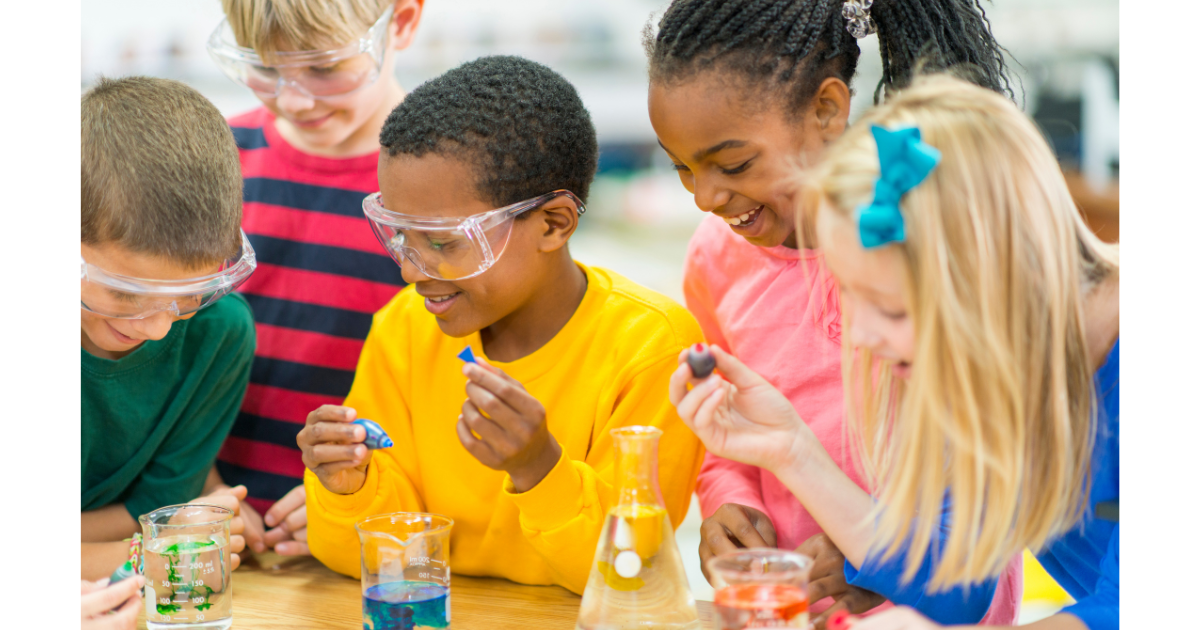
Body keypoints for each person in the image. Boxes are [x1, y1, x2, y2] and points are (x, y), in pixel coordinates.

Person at [670, 75, 1118, 630]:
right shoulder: (1002, 361)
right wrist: (790, 449)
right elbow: (957, 584)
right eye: (851, 296)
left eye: (894, 310)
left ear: (997, 274)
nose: (860, 337)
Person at [643, 0, 1021, 625]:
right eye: (682, 166)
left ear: (826, 109)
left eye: (734, 165)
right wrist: (729, 504)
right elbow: (725, 427)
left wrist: (870, 555)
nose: (705, 196)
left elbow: (974, 491)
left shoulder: (915, 239)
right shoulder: (714, 258)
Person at [300, 56, 707, 595]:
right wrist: (347, 486)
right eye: (400, 236)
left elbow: (626, 573)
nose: (410, 270)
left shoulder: (653, 348)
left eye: (443, 242)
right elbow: (376, 558)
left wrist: (538, 467)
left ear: (553, 224)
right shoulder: (404, 328)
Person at [204, 0, 425, 557]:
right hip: (216, 527)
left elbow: (452, 384)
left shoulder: (441, 189)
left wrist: (354, 499)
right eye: (265, 68)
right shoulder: (214, 160)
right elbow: (169, 352)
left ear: (401, 23)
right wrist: (204, 488)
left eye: (325, 68)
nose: (294, 100)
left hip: (373, 531)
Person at [81, 77, 254, 580]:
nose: (158, 329)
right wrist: (155, 553)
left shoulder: (218, 331)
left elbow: (159, 505)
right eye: (125, 294)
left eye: (189, 295)